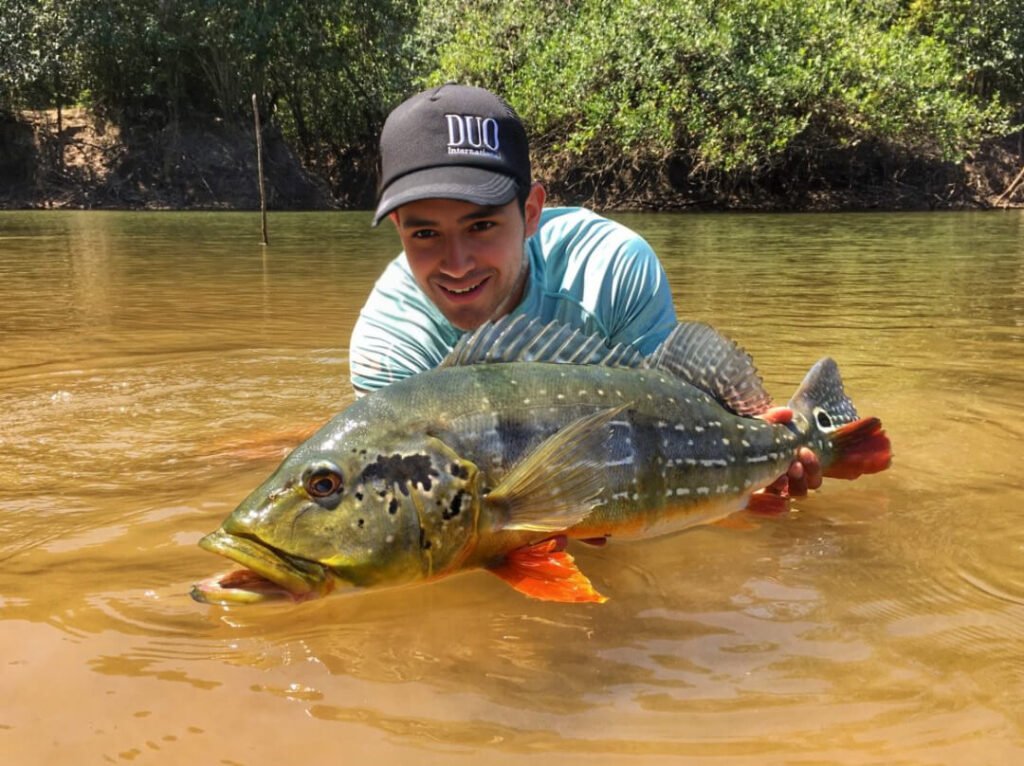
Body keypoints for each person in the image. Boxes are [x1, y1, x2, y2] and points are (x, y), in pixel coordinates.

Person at [349, 83, 820, 497]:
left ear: (532, 211)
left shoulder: (612, 268)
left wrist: (749, 473)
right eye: (425, 233)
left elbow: (670, 417)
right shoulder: (388, 345)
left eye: (482, 225)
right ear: (397, 226)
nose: (456, 264)